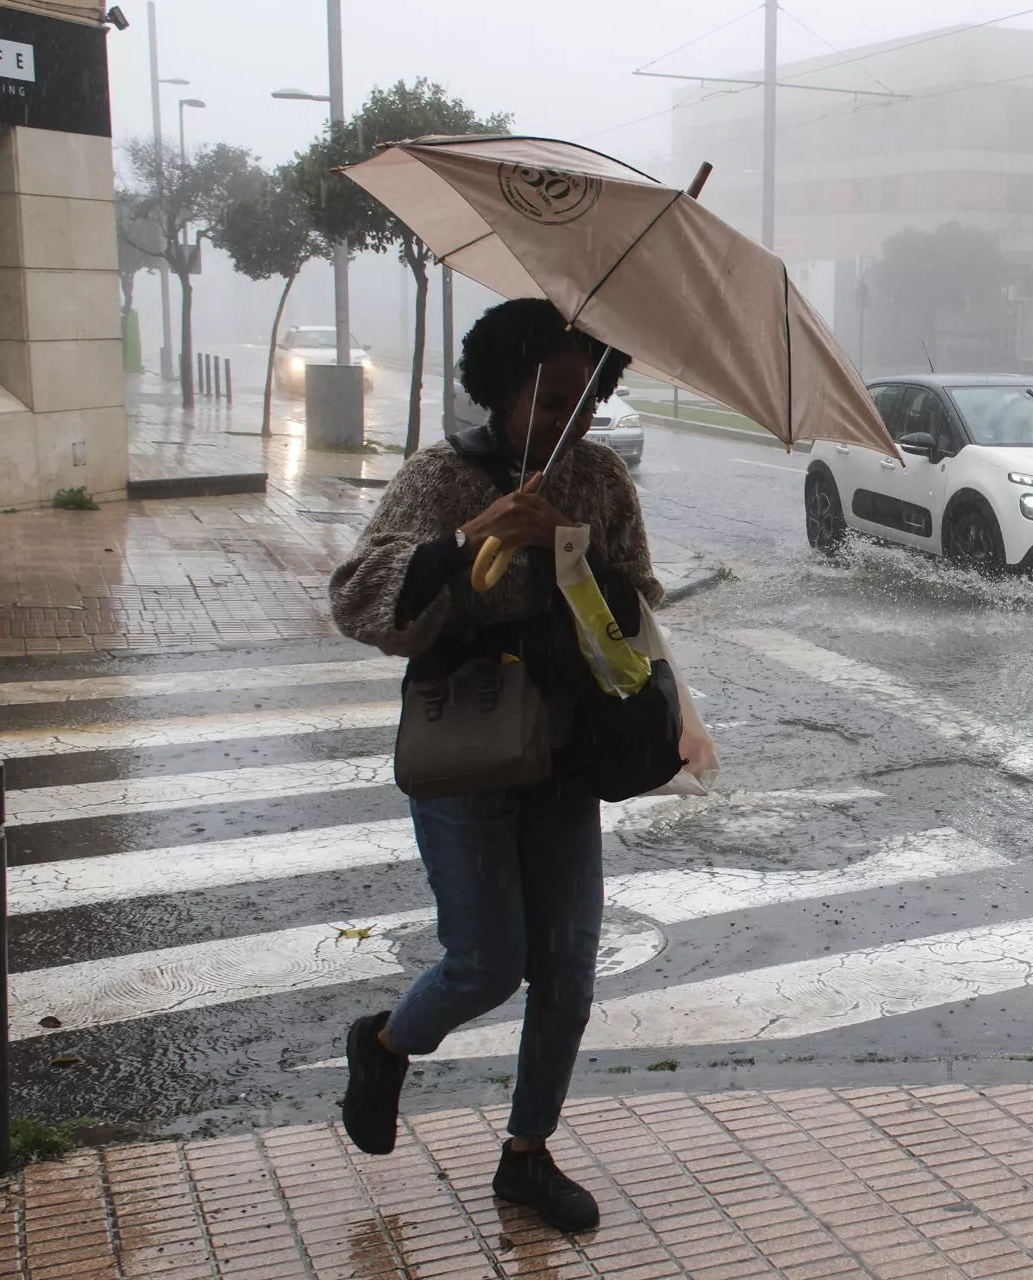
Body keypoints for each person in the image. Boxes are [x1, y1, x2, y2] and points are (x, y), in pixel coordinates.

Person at [328, 298, 660, 1234]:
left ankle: (526, 1157)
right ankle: (386, 1044)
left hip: (566, 750)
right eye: (554, 402)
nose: (575, 423)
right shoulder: (441, 476)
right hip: (469, 747)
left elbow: (638, 603)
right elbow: (359, 599)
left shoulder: (597, 481)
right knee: (486, 962)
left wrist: (580, 562)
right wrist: (472, 539)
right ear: (504, 388)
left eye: (588, 402)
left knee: (568, 971)